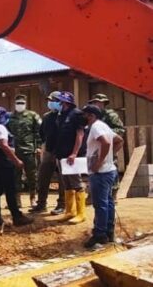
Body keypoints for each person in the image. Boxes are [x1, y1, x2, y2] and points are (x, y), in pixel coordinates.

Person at [0, 106, 33, 228]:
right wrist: (16, 161)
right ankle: (17, 217)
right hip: (3, 164)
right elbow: (4, 146)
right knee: (10, 190)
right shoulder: (0, 128)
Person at [81, 104, 123, 248]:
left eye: (85, 115)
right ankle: (109, 232)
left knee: (100, 204)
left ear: (91, 116)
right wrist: (109, 156)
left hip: (101, 173)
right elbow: (119, 140)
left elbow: (105, 142)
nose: (83, 118)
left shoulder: (96, 127)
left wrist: (99, 162)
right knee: (108, 202)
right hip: (109, 170)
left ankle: (99, 235)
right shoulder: (104, 125)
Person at [53, 91, 88, 224]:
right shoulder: (62, 115)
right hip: (62, 155)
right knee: (66, 183)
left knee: (76, 183)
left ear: (66, 102)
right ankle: (70, 211)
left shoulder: (76, 115)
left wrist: (74, 153)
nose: (58, 103)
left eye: (60, 101)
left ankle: (81, 213)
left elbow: (80, 135)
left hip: (72, 155)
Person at [32, 91, 66, 214]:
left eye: (53, 100)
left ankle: (62, 204)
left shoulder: (67, 116)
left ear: (60, 102)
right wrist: (43, 147)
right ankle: (41, 204)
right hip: (48, 151)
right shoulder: (46, 116)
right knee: (42, 177)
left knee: (63, 180)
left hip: (63, 152)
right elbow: (41, 134)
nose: (50, 103)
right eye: (49, 100)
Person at [88, 93, 125, 200]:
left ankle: (113, 192)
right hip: (95, 146)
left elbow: (120, 130)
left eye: (98, 102)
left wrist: (104, 133)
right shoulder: (93, 116)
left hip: (108, 145)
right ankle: (93, 193)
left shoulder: (110, 115)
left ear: (103, 103)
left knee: (110, 166)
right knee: (93, 168)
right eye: (94, 102)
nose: (96, 104)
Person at [8, 94, 42, 208]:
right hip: (14, 151)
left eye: (22, 103)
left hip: (29, 150)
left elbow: (38, 132)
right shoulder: (9, 117)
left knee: (32, 175)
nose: (20, 105)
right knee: (15, 176)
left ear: (25, 103)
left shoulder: (32, 116)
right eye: (18, 103)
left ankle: (33, 198)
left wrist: (38, 147)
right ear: (14, 104)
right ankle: (17, 200)